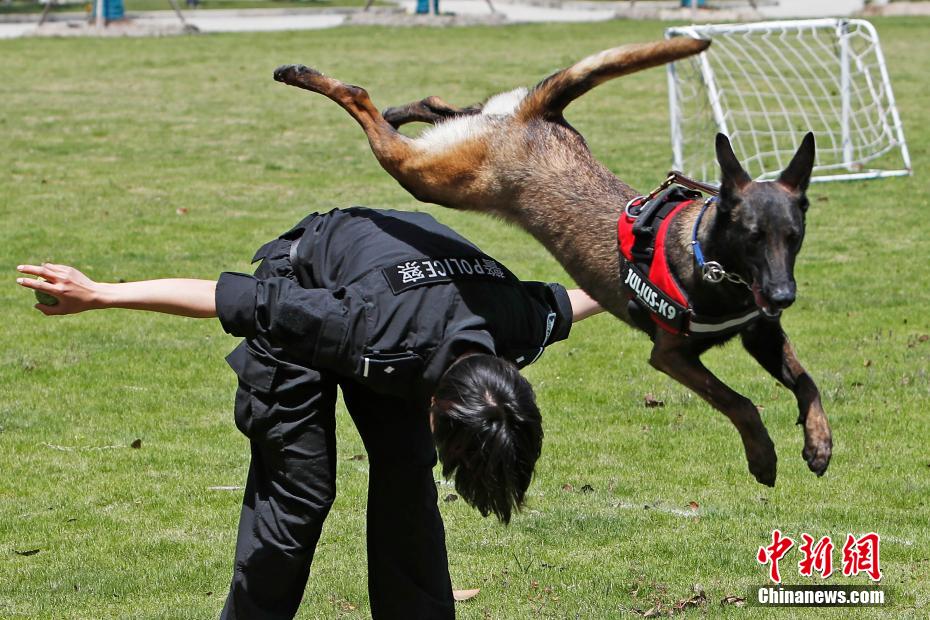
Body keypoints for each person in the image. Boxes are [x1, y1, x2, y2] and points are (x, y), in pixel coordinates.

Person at [16, 206, 603, 619]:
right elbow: (229, 297)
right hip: (311, 276)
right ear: (435, 410)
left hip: (402, 314)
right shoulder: (358, 325)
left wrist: (667, 281)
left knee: (407, 485)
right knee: (300, 490)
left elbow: (586, 296)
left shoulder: (515, 323)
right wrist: (100, 293)